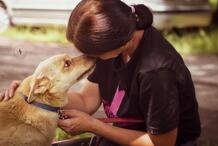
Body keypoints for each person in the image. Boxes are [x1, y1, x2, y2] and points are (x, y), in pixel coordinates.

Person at [0, 0, 201, 146]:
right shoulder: (115, 42)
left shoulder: (157, 72)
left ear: (118, 44)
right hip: (120, 137)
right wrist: (31, 95)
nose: (87, 58)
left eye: (92, 53)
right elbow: (86, 100)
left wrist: (94, 126)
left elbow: (162, 143)